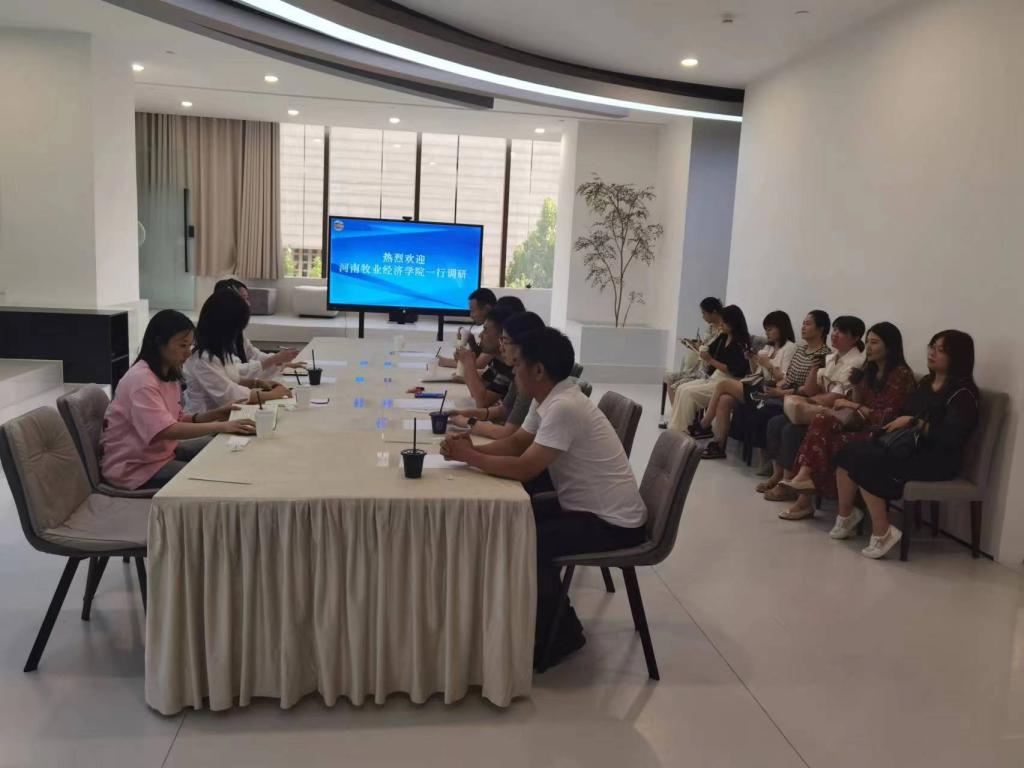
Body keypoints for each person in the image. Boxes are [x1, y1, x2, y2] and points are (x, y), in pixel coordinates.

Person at [440, 328, 647, 667]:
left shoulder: (564, 406)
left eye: (517, 364)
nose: (513, 371)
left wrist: (471, 457)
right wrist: (469, 450)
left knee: (522, 537)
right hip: (587, 509)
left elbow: (525, 468)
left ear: (538, 370)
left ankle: (562, 633)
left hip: (612, 524)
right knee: (511, 522)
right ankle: (522, 619)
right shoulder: (549, 397)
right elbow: (516, 444)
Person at [830, 330, 980, 559]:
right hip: (907, 447)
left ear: (957, 357)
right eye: (932, 347)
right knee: (848, 451)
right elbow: (905, 412)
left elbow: (951, 437)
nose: (932, 353)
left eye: (941, 350)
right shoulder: (927, 382)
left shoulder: (963, 394)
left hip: (937, 459)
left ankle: (882, 531)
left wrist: (915, 422)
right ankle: (846, 515)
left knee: (866, 460)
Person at [100, 310, 256, 490]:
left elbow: (176, 418)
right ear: (159, 342)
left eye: (190, 346)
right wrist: (220, 426)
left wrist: (215, 414)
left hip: (161, 454)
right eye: (183, 345)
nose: (188, 353)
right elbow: (165, 430)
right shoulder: (141, 381)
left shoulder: (168, 373)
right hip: (135, 468)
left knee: (224, 446)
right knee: (214, 478)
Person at [776, 322, 917, 508]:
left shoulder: (900, 374)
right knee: (820, 421)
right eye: (868, 342)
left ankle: (807, 499)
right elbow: (857, 403)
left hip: (882, 434)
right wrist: (856, 386)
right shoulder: (871, 370)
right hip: (860, 425)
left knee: (823, 440)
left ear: (890, 346)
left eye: (874, 342)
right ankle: (804, 478)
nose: (868, 347)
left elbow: (887, 418)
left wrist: (851, 404)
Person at [761, 315, 866, 515]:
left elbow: (835, 397)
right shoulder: (831, 357)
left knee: (792, 430)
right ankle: (780, 475)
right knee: (776, 422)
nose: (835, 335)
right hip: (821, 409)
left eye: (841, 332)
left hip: (838, 416)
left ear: (855, 338)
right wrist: (813, 371)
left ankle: (793, 486)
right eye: (835, 330)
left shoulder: (856, 362)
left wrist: (808, 401)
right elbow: (811, 389)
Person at [696, 310, 796, 459]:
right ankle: (718, 445)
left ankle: (705, 423)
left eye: (770, 329)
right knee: (724, 399)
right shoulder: (768, 348)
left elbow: (784, 379)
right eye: (766, 329)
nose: (767, 333)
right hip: (757, 384)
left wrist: (768, 365)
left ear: (781, 328)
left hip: (771, 391)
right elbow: (756, 372)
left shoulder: (790, 348)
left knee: (723, 384)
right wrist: (751, 358)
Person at [183, 290, 292, 412]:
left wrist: (256, 383)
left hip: (225, 414)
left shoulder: (220, 349)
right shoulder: (202, 358)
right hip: (208, 419)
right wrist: (272, 395)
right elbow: (228, 395)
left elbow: (232, 377)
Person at [449, 311, 545, 439]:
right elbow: (503, 409)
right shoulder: (515, 369)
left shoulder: (529, 377)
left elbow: (482, 402)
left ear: (522, 344)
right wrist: (463, 414)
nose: (501, 346)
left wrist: (466, 421)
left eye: (504, 340)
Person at [667, 304, 751, 433]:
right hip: (715, 376)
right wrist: (701, 348)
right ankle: (675, 427)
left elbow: (735, 370)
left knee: (688, 393)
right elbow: (709, 350)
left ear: (732, 322)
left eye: (724, 322)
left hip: (729, 381)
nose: (721, 324)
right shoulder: (723, 337)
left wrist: (710, 360)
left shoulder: (741, 343)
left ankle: (683, 431)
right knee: (681, 389)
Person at [214, 278, 302, 378]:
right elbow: (236, 373)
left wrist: (281, 360)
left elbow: (254, 355)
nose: (248, 304)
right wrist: (274, 359)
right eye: (242, 299)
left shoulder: (236, 330)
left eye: (247, 298)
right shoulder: (217, 335)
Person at [665, 297, 725, 411]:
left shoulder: (723, 331)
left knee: (677, 386)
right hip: (699, 367)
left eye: (704, 313)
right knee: (669, 378)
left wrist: (701, 347)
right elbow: (705, 344)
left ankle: (682, 416)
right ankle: (675, 413)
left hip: (707, 372)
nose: (703, 317)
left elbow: (713, 350)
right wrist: (696, 345)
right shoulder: (710, 328)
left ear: (714, 312)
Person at [456, 305, 518, 408]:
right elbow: (476, 391)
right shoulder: (498, 362)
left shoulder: (510, 367)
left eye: (485, 330)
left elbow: (482, 401)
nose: (480, 335)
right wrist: (467, 362)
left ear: (502, 337)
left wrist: (469, 363)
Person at [439, 287, 497, 368]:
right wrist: (471, 341)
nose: (471, 315)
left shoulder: (496, 330)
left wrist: (443, 362)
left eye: (473, 311)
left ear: (486, 309)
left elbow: (478, 364)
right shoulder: (490, 327)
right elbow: (479, 357)